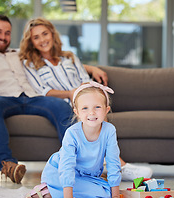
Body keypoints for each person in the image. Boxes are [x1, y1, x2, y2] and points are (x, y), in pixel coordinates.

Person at [0, 15, 107, 184]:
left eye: (7, 33)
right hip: (3, 100)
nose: (3, 36)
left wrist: (92, 68)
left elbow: (55, 59)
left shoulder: (19, 54)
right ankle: (8, 165)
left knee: (60, 106)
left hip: (33, 98)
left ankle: (80, 166)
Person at [18, 17, 153, 181]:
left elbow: (84, 79)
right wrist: (70, 94)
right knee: (81, 114)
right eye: (36, 37)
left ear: (52, 34)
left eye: (44, 34)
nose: (42, 40)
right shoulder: (30, 64)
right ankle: (119, 167)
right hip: (62, 104)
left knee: (96, 111)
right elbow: (42, 90)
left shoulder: (69, 57)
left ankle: (114, 166)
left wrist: (87, 96)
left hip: (84, 99)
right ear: (31, 42)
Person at [26, 82, 128, 198]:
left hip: (86, 176)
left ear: (106, 110)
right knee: (97, 194)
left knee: (108, 193)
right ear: (77, 112)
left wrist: (115, 196)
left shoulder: (109, 130)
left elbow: (113, 162)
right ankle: (46, 191)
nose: (91, 113)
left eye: (97, 107)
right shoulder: (72, 133)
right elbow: (67, 165)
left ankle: (55, 192)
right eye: (85, 108)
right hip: (59, 172)